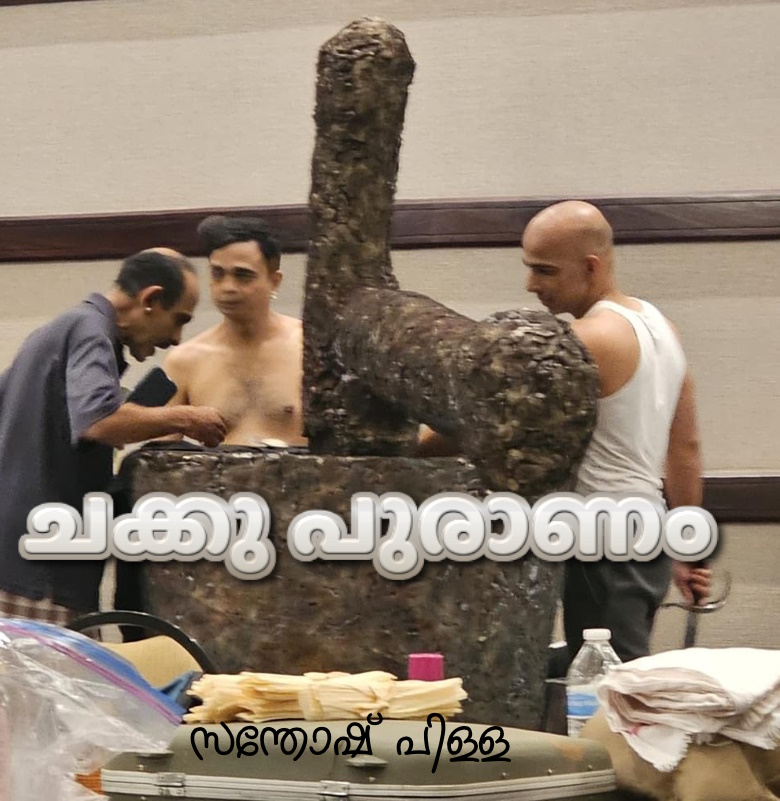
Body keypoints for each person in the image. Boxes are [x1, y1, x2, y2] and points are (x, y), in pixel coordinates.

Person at [521, 200, 710, 663]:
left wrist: (415, 447)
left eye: (545, 271)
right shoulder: (661, 326)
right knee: (601, 668)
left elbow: (501, 417)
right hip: (644, 532)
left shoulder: (589, 339)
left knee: (609, 683)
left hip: (605, 538)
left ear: (590, 267)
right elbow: (685, 448)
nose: (531, 284)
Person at [0, 248, 227, 624]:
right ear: (150, 299)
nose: (175, 338)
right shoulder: (91, 331)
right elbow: (98, 420)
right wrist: (186, 418)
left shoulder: (54, 332)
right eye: (178, 320)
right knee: (60, 664)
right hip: (43, 569)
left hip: (19, 555)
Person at [162, 216, 306, 447]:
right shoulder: (185, 360)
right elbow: (160, 450)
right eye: (218, 274)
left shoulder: (308, 347)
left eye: (243, 275)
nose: (228, 287)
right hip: (214, 470)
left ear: (274, 281)